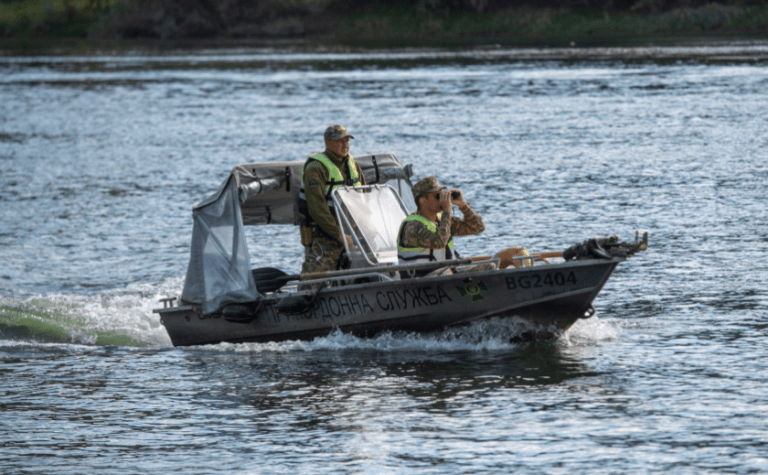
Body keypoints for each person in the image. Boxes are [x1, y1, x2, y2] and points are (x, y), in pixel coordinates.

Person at [298, 125, 366, 280]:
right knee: (314, 282)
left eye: (347, 140)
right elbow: (317, 208)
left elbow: (365, 199)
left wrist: (370, 230)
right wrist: (338, 234)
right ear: (328, 143)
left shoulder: (353, 165)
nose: (345, 145)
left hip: (352, 233)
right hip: (323, 235)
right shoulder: (316, 168)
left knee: (365, 272)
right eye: (339, 141)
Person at [397, 176, 485, 276]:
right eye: (437, 196)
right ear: (422, 200)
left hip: (447, 272)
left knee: (493, 264)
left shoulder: (440, 220)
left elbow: (477, 227)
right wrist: (447, 211)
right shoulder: (412, 226)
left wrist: (463, 206)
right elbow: (439, 242)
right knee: (449, 273)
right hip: (421, 278)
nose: (441, 200)